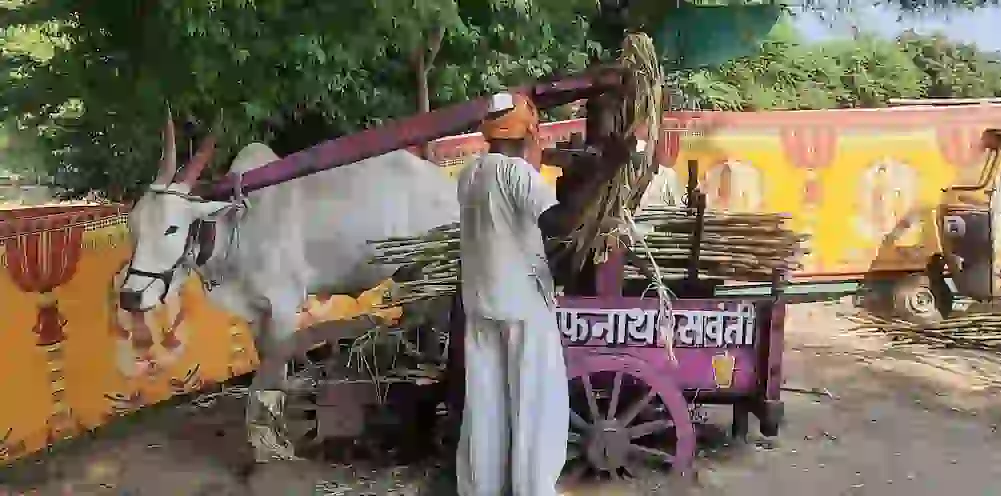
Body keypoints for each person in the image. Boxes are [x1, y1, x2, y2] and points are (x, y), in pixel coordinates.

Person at [454, 92, 625, 496]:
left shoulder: (471, 173)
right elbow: (561, 222)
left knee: (486, 408)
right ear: (530, 129)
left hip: (481, 305)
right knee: (534, 407)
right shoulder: (516, 174)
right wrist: (607, 168)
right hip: (524, 308)